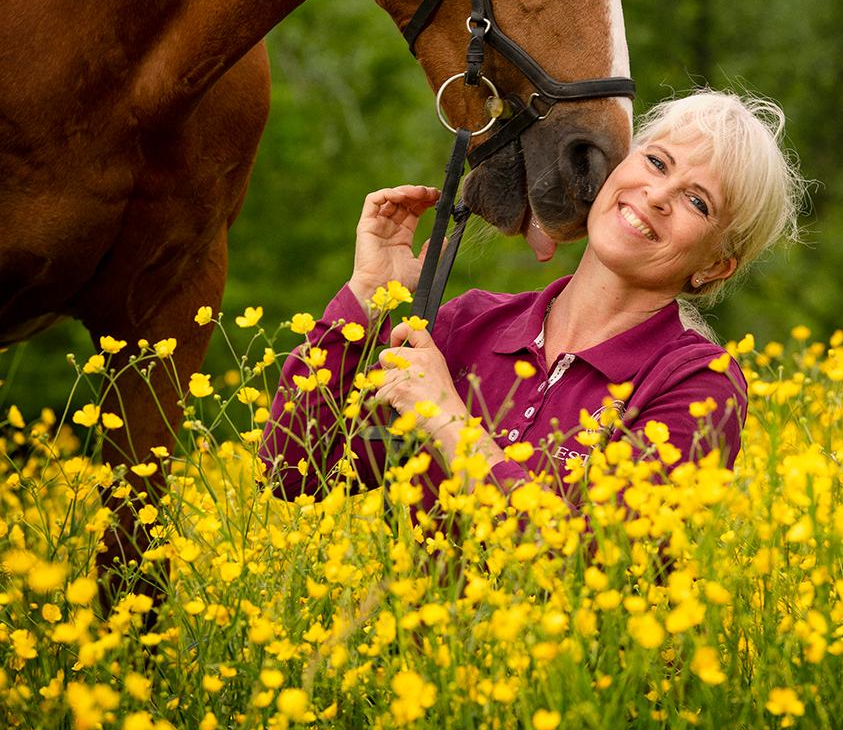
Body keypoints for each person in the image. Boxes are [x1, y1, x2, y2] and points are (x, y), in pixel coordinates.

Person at [259, 89, 805, 509]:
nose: (657, 195)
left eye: (697, 202)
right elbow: (291, 473)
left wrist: (446, 418)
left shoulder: (700, 385)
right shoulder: (469, 326)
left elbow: (589, 552)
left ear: (714, 265)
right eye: (657, 162)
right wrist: (367, 297)